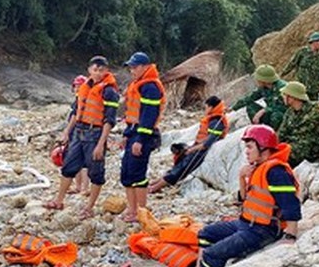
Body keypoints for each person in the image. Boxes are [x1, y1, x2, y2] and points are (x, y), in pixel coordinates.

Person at [169, 125, 300, 267]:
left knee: (212, 254)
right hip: (246, 223)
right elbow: (243, 199)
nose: (246, 151)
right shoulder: (258, 167)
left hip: (262, 230)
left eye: (250, 147)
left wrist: (290, 235)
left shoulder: (276, 172)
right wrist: (241, 177)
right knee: (206, 233)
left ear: (264, 148)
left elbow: (290, 204)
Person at [150, 95, 228, 194]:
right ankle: (155, 183)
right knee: (178, 164)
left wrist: (192, 149)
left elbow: (208, 143)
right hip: (197, 147)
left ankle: (154, 188)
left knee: (180, 170)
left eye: (206, 107)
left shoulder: (217, 122)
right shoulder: (213, 119)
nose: (205, 110)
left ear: (211, 107)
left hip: (201, 151)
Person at [44, 71, 99, 211]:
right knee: (76, 164)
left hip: (82, 133)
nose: (76, 88)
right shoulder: (80, 98)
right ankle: (79, 187)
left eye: (78, 86)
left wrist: (67, 132)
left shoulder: (85, 98)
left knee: (84, 163)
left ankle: (83, 188)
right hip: (80, 132)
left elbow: (75, 116)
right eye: (75, 86)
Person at [119, 52, 164, 223]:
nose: (132, 70)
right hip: (133, 131)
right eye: (130, 67)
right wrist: (126, 135)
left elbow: (149, 115)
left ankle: (141, 212)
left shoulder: (150, 87)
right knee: (127, 173)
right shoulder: (139, 84)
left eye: (135, 67)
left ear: (146, 67)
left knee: (138, 175)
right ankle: (132, 210)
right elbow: (132, 114)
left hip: (143, 135)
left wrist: (139, 139)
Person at [73, 56, 120, 219]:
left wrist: (101, 143)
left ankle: (89, 206)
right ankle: (60, 198)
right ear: (89, 70)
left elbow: (110, 119)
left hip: (95, 133)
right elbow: (75, 112)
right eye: (95, 69)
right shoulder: (84, 88)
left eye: (101, 70)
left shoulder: (109, 91)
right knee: (71, 165)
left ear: (107, 71)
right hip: (80, 131)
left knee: (96, 171)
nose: (98, 73)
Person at [230, 64, 288, 130]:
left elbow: (283, 108)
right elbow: (250, 98)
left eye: (258, 79)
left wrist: (263, 111)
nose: (257, 81)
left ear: (264, 80)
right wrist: (233, 108)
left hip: (283, 117)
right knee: (250, 106)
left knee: (276, 115)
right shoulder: (263, 88)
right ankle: (260, 130)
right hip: (270, 113)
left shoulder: (282, 88)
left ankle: (274, 134)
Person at [281, 31, 319, 101]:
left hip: (314, 89)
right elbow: (292, 64)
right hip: (301, 87)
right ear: (314, 42)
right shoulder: (302, 52)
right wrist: (282, 74)